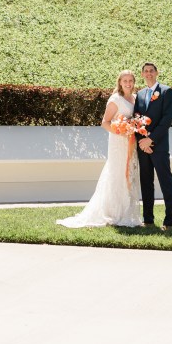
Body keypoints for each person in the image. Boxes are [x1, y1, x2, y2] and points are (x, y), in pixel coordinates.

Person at [56, 70, 142, 228]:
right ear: (120, 82)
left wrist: (133, 127)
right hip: (118, 141)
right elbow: (105, 122)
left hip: (131, 142)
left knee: (129, 173)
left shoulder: (136, 98)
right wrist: (121, 131)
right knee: (117, 172)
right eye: (125, 81)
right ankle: (114, 212)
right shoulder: (115, 99)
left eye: (130, 80)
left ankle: (127, 211)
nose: (128, 83)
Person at [135, 62, 172, 229]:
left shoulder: (166, 91)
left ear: (156, 73)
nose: (148, 73)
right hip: (143, 147)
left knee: (165, 182)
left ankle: (169, 222)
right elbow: (136, 119)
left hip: (159, 146)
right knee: (146, 183)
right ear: (142, 74)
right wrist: (142, 142)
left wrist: (150, 139)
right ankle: (148, 220)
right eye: (145, 71)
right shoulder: (140, 94)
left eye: (151, 71)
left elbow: (166, 120)